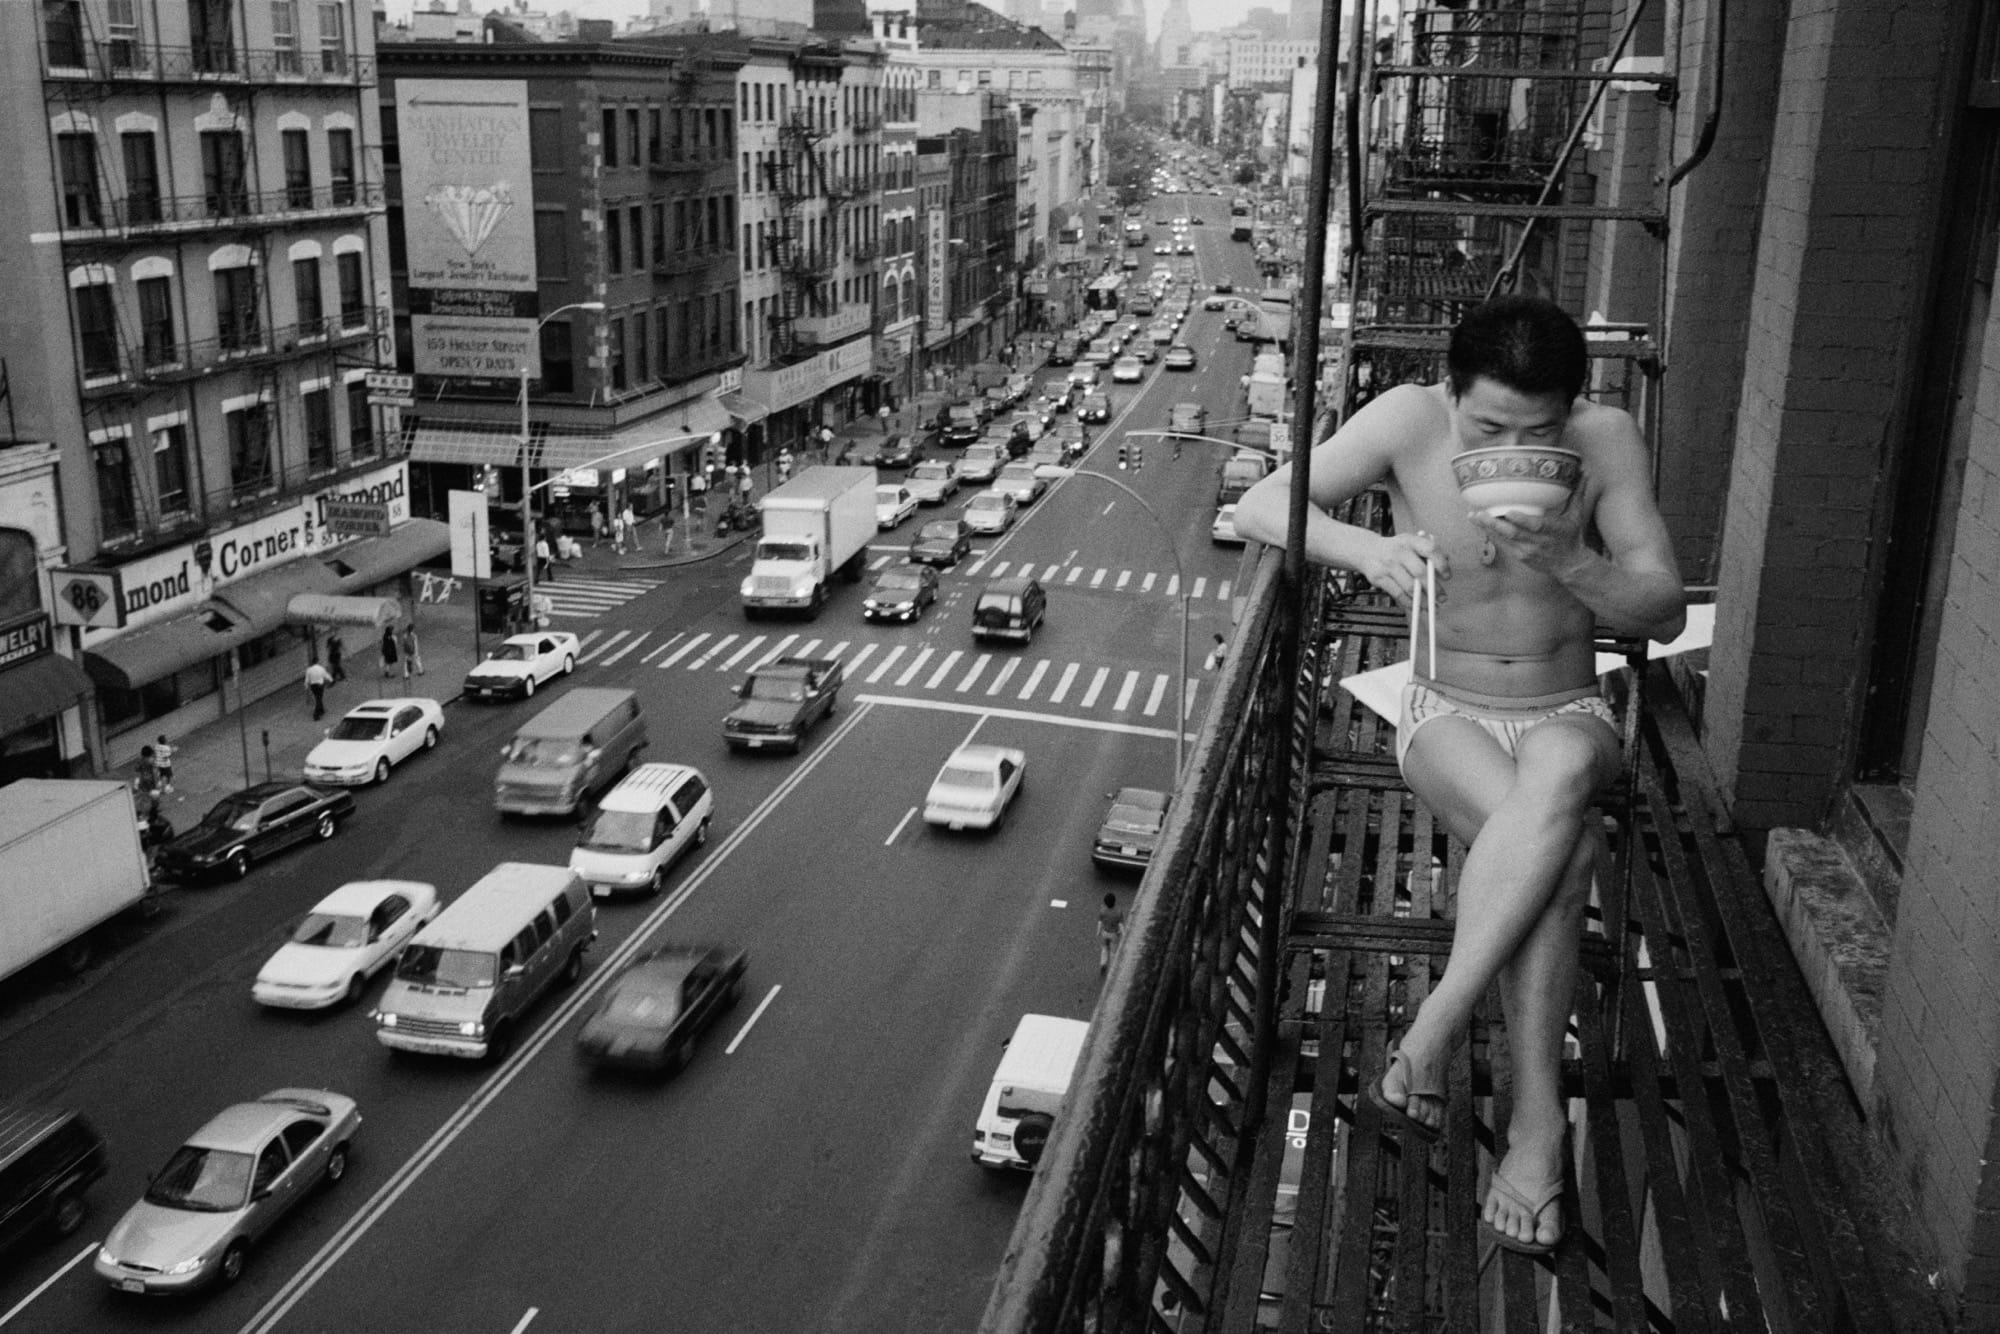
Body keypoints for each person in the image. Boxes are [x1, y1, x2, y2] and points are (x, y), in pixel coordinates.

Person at [1231, 295, 1685, 1255]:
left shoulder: (1607, 441)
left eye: (1538, 430)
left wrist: (1576, 561)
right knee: (1566, 854)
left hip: (1567, 706)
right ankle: (1534, 1130)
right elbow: (1260, 502)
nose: (1512, 445)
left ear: (1574, 407)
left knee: (1561, 766)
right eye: (1488, 427)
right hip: (1444, 711)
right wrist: (1369, 548)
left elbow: (1662, 610)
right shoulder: (1406, 419)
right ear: (1451, 393)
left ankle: (1435, 1026)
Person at [1095, 892, 1126, 976]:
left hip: (1105, 932)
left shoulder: (1103, 911)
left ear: (1105, 903)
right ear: (1114, 901)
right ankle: (1111, 970)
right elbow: (1120, 924)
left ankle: (1103, 963)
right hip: (1114, 934)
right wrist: (1123, 934)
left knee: (1104, 949)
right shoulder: (1118, 912)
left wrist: (1098, 932)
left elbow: (1100, 922)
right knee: (1113, 952)